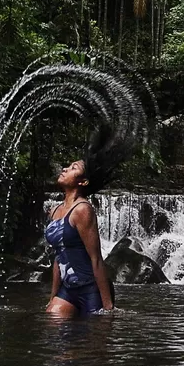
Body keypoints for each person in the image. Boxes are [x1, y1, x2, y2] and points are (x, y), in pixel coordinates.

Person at [44, 126, 131, 317]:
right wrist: (52, 297)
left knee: (93, 344)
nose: (65, 168)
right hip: (68, 289)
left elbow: (96, 258)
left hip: (91, 289)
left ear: (82, 182)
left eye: (73, 168)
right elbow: (59, 258)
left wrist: (108, 308)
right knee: (51, 322)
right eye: (68, 166)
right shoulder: (54, 211)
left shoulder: (82, 210)